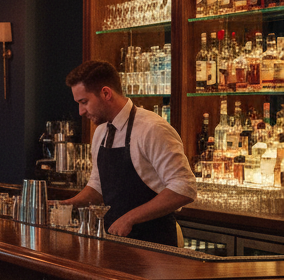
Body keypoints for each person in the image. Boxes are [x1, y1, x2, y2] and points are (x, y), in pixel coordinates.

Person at [64, 59, 197, 246]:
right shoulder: (101, 132)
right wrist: (68, 205)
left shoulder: (152, 128)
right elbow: (97, 185)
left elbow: (184, 187)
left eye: (84, 102)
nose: (80, 111)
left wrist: (130, 218)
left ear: (106, 93)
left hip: (154, 246)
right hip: (115, 241)